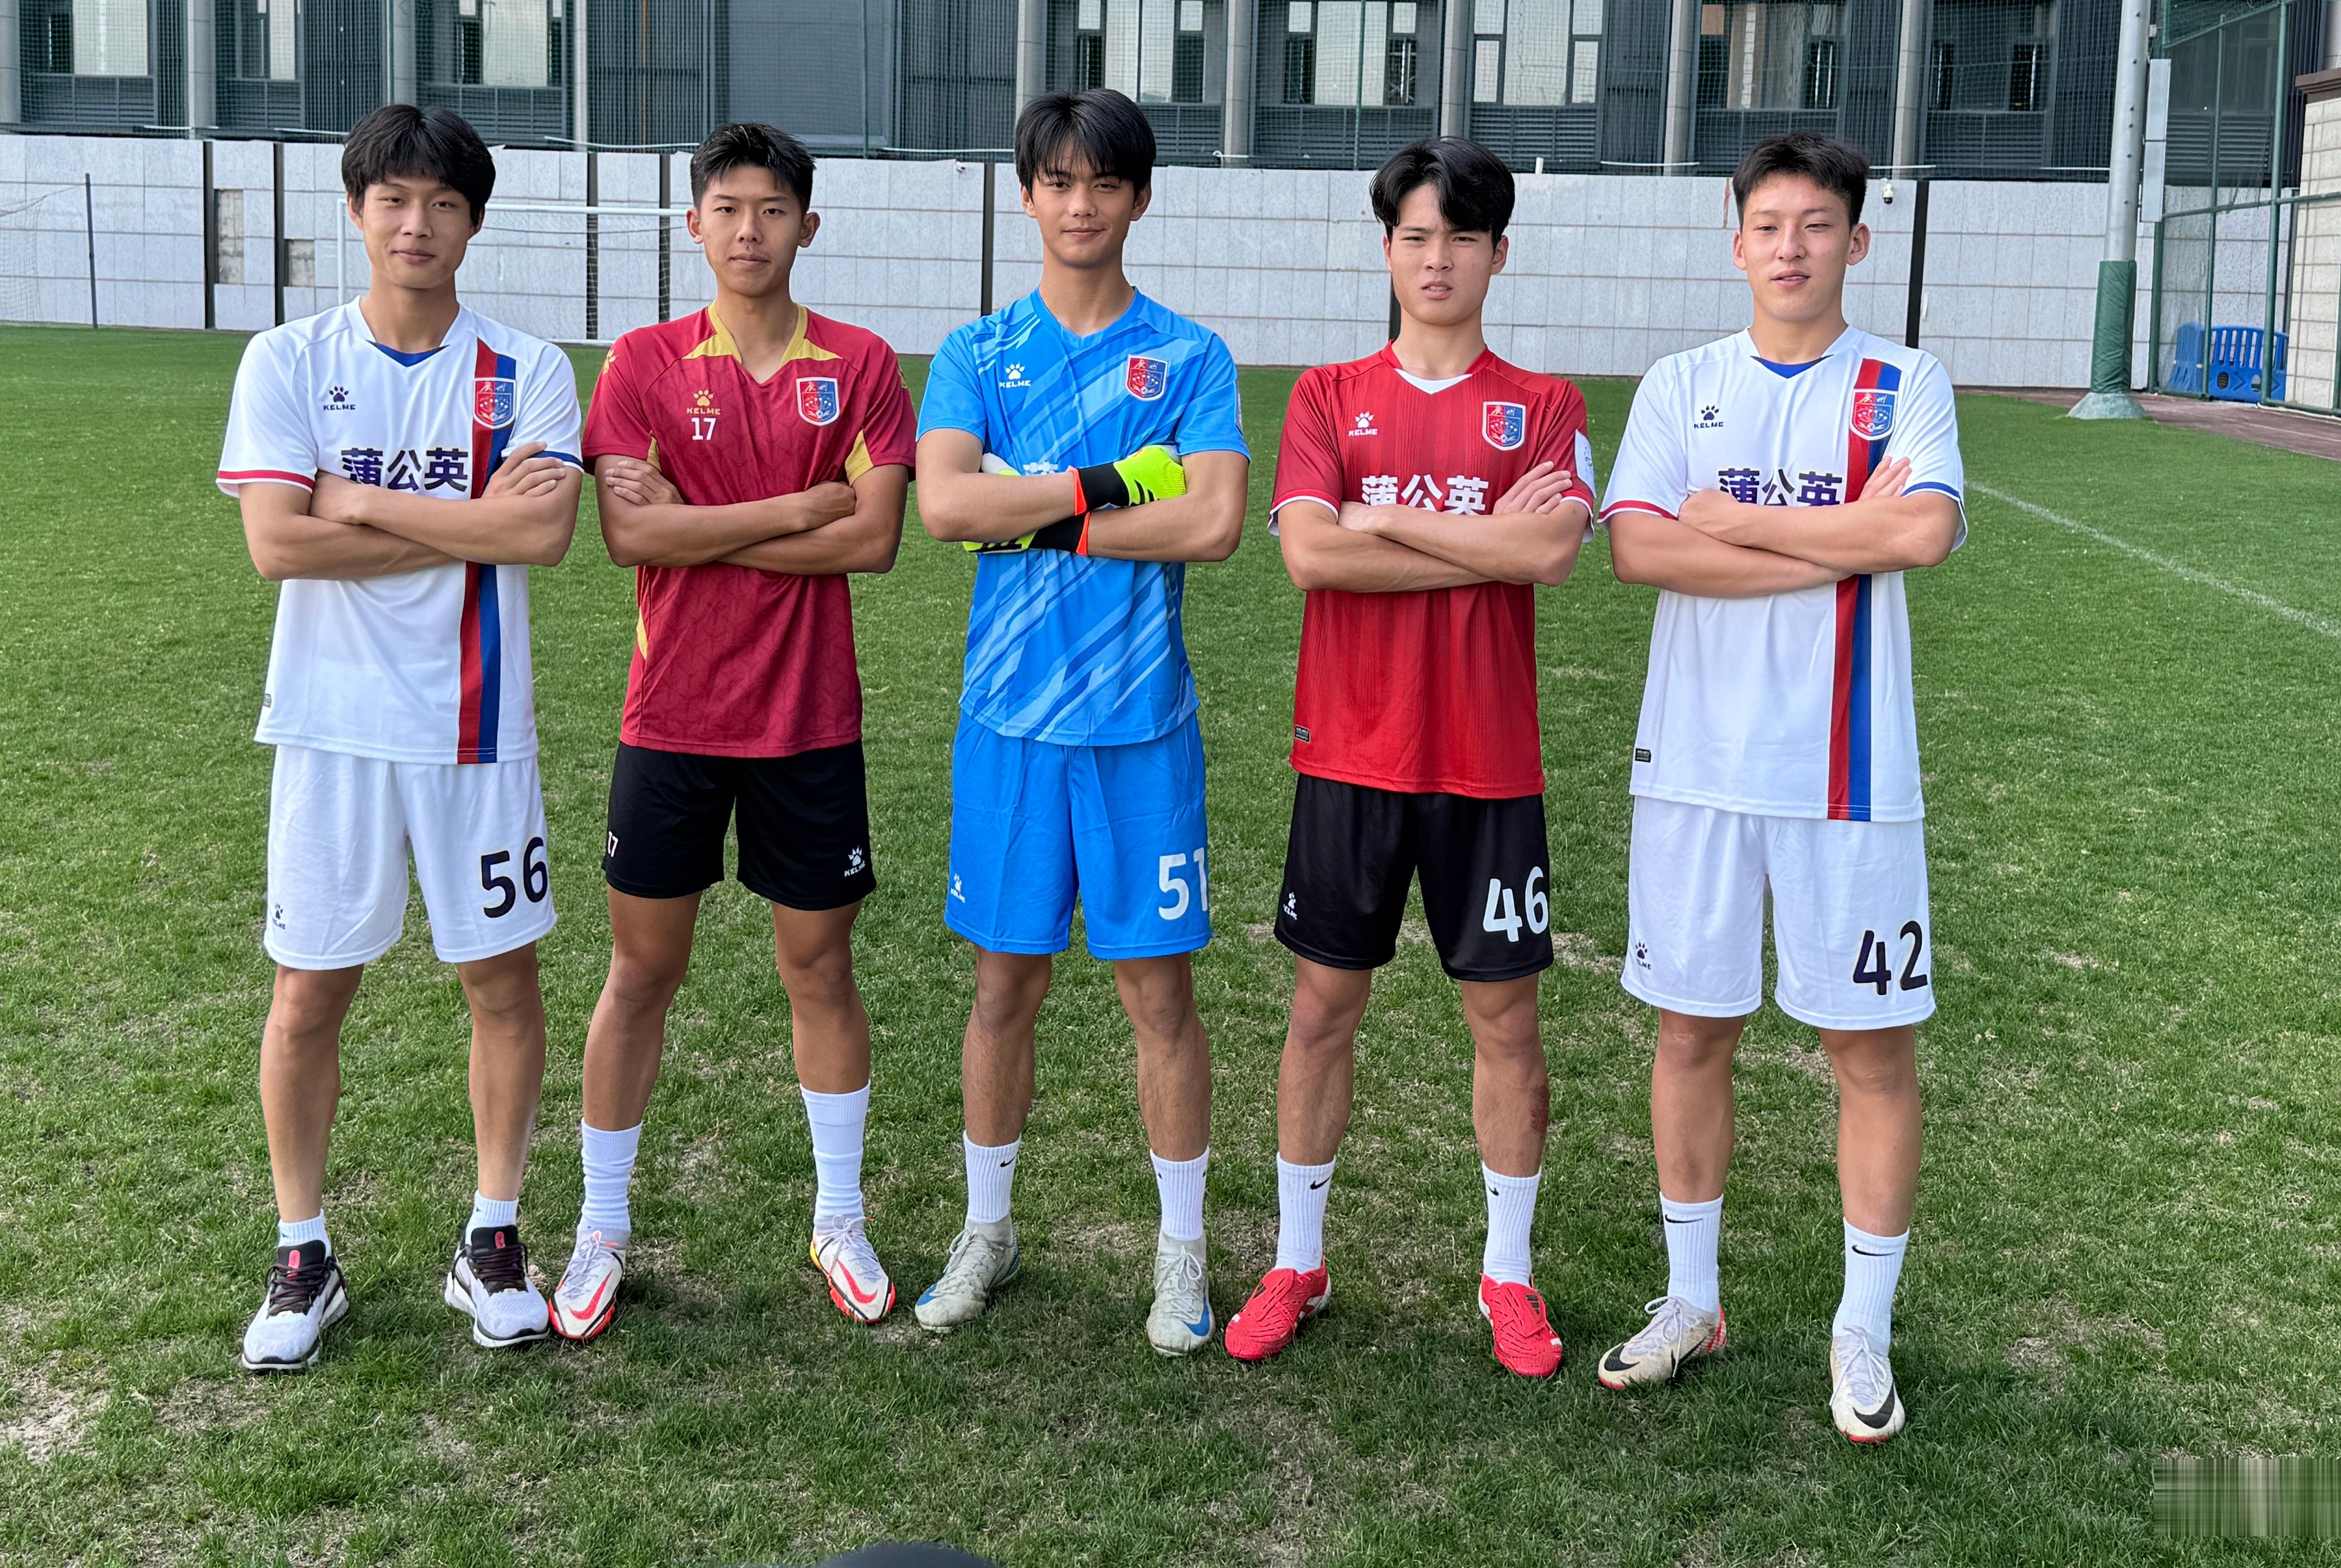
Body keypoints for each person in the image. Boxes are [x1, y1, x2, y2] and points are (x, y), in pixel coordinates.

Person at [1594, 130, 1966, 1444]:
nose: (1792, 246)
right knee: (1692, 1029)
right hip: (1696, 768)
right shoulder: (1681, 382)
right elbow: (1641, 550)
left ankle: (1863, 1324)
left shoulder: (1903, 382)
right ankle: (1694, 1299)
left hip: (1850, 774)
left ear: (1855, 240)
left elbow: (1923, 529)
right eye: (1770, 224)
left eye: (1817, 225)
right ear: (1736, 235)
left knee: (1870, 1048)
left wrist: (1737, 519)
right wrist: (1843, 542)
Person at [216, 105, 585, 1371]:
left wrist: (358, 499)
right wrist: (463, 519)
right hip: (330, 729)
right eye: (393, 200)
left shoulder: (527, 370)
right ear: (357, 211)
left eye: (442, 203)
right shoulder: (286, 360)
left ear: (472, 222)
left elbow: (541, 534)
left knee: (502, 983)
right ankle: (302, 1254)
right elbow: (277, 545)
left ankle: (493, 1237)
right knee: (308, 989)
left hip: (477, 728)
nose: (416, 224)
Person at [1227, 138, 1594, 1379]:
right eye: (1417, 237)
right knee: (1322, 1007)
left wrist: (1382, 516)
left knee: (1507, 1021)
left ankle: (1509, 1275)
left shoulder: (1547, 405)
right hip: (1350, 753)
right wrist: (1478, 539)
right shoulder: (1328, 396)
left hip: (1490, 766)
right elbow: (1310, 557)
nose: (1438, 260)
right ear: (1387, 249)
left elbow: (1551, 555)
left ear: (1499, 253)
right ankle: (1299, 1260)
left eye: (1463, 238)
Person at [554, 123, 917, 1340]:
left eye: (771, 210)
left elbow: (874, 540)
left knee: (820, 969)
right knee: (640, 973)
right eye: (727, 208)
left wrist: (707, 522)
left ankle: (840, 1217)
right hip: (672, 718)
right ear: (693, 224)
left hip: (809, 724)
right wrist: (798, 507)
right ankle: (602, 1225)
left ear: (807, 225)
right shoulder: (643, 363)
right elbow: (629, 537)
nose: (749, 230)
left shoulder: (861, 364)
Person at [908, 88, 1250, 1355]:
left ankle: (1181, 1252)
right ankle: (988, 1231)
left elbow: (1213, 523)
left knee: (1160, 995)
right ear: (1027, 195)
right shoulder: (977, 351)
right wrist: (1118, 488)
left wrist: (1038, 510)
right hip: (1009, 723)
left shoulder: (1191, 356)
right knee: (1004, 985)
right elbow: (946, 509)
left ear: (1140, 197)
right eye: (1058, 181)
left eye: (1105, 182)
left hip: (1140, 725)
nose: (1081, 203)